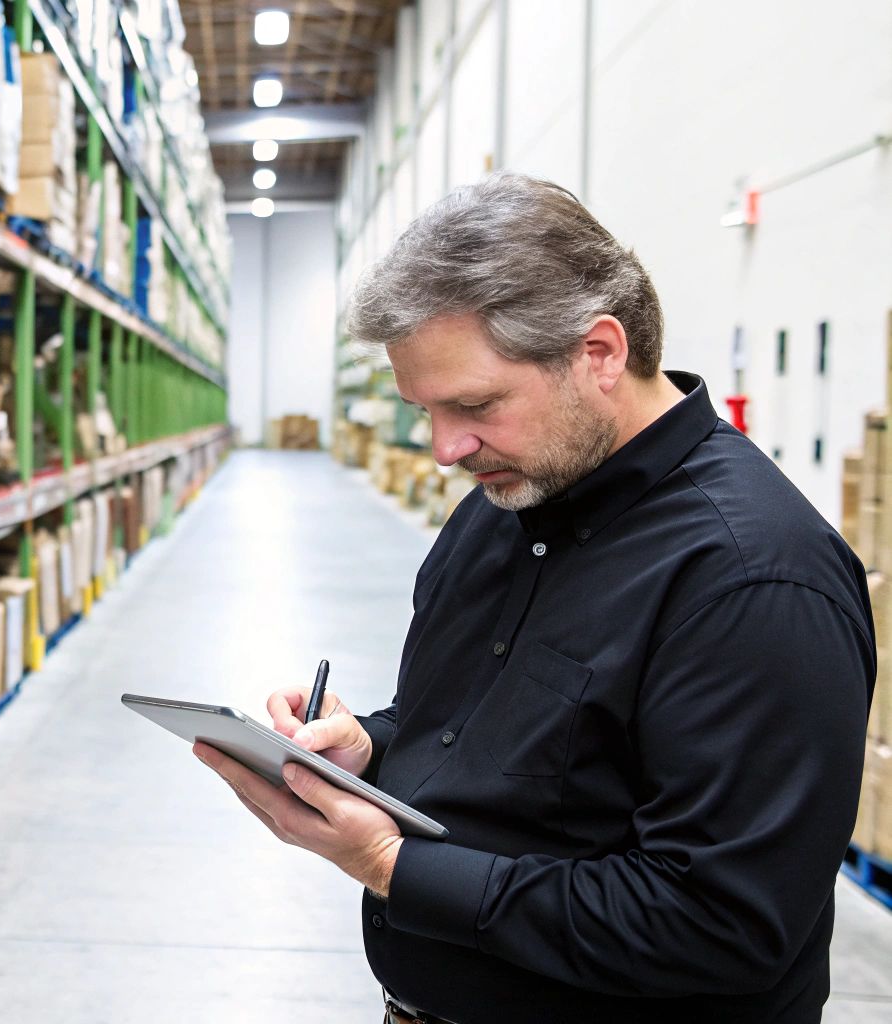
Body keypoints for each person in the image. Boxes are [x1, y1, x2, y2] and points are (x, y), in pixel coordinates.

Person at [194, 172, 875, 1023]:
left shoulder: (753, 580)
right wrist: (367, 746)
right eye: (425, 411)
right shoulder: (502, 508)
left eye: (474, 404)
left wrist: (394, 868)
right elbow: (465, 729)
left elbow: (721, 923)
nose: (446, 449)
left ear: (599, 354)